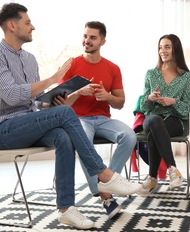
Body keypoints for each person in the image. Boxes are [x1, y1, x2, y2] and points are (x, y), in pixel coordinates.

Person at [0, 3, 141, 230]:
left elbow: (35, 102)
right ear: (11, 25)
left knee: (63, 136)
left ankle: (66, 209)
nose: (32, 26)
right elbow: (11, 96)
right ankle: (104, 175)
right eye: (27, 22)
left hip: (26, 124)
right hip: (2, 130)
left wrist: (50, 101)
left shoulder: (29, 59)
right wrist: (53, 79)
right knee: (66, 113)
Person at [52, 21, 136, 219]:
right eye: (85, 36)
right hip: (78, 119)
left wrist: (107, 96)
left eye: (92, 37)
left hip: (103, 119)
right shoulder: (72, 65)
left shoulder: (112, 68)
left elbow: (120, 103)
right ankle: (105, 195)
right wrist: (79, 92)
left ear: (103, 41)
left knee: (129, 136)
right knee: (83, 141)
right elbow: (62, 104)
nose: (87, 41)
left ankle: (105, 183)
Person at [137, 34, 190, 197]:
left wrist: (173, 101)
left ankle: (152, 178)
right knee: (154, 121)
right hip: (152, 118)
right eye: (160, 47)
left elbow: (186, 108)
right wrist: (149, 98)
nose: (163, 51)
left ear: (175, 49)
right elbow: (144, 107)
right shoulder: (151, 73)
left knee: (155, 132)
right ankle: (172, 169)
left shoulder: (187, 77)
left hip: (175, 121)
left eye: (167, 47)